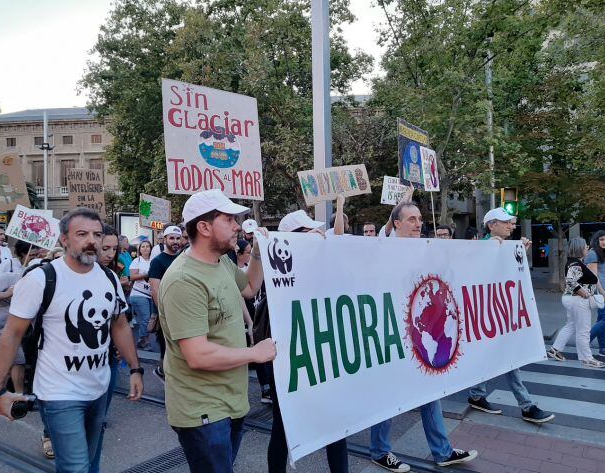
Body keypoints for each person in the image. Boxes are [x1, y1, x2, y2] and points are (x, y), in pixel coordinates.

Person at [0, 208, 143, 473]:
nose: (91, 241)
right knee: (76, 467)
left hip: (99, 387)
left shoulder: (109, 278)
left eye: (96, 234)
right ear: (64, 240)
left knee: (91, 463)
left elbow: (119, 324)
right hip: (59, 392)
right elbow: (11, 334)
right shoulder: (41, 278)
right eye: (82, 234)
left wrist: (135, 368)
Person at [158, 189, 276, 473]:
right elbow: (197, 355)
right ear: (204, 227)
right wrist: (254, 353)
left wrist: (257, 255)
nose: (238, 225)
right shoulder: (184, 280)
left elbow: (249, 287)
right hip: (202, 410)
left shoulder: (222, 260)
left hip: (230, 400)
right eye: (229, 219)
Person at [368, 202, 477, 470]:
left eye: (420, 219)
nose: (419, 224)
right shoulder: (384, 248)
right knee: (389, 396)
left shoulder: (426, 250)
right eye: (411, 219)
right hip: (394, 336)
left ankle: (442, 451)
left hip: (420, 336)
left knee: (429, 392)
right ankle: (380, 451)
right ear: (396, 224)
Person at [266, 208, 351, 473]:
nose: (318, 235)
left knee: (337, 428)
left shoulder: (324, 267)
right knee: (283, 429)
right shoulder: (277, 274)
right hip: (292, 364)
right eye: (310, 232)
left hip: (325, 359)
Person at [467, 207, 555, 422]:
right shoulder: (482, 246)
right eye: (506, 222)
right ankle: (526, 406)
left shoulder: (507, 246)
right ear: (491, 225)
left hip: (501, 314)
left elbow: (511, 274)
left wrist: (519, 254)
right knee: (508, 358)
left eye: (512, 222)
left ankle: (477, 395)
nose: (511, 225)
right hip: (489, 315)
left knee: (499, 356)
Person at [90, 223, 131, 473]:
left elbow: (120, 320)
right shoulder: (56, 274)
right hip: (70, 364)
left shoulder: (111, 276)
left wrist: (132, 362)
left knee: (97, 421)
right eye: (105, 248)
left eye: (113, 249)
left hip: (106, 357)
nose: (109, 254)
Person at [0, 240, 32, 395]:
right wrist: (7, 293)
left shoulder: (33, 288)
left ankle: (19, 396)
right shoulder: (9, 277)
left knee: (18, 361)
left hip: (6, 331)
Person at [547, 238, 605, 368]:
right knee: (583, 330)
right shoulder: (575, 263)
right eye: (585, 246)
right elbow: (570, 281)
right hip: (577, 299)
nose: (587, 248)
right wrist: (583, 293)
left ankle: (555, 349)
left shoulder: (576, 262)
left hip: (572, 299)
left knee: (571, 325)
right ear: (579, 248)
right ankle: (587, 358)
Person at [148, 225, 183, 383]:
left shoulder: (183, 258)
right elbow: (155, 291)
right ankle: (165, 374)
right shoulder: (157, 262)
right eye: (172, 238)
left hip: (182, 311)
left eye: (177, 238)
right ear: (165, 239)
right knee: (167, 349)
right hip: (166, 313)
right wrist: (163, 314)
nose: (175, 241)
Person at [586, 230, 605, 356]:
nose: (604, 242)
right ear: (596, 239)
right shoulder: (593, 254)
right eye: (602, 239)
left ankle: (604, 348)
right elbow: (594, 278)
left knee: (602, 319)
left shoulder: (602, 254)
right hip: (602, 293)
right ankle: (585, 342)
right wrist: (603, 293)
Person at [130, 240, 154, 350]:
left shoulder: (154, 261)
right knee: (146, 318)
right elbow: (132, 277)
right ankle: (143, 340)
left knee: (149, 319)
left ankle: (143, 340)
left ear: (151, 248)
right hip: (138, 294)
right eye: (142, 246)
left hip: (150, 294)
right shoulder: (137, 260)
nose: (145, 248)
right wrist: (146, 274)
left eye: (147, 246)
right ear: (139, 249)